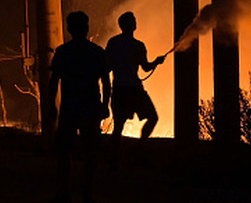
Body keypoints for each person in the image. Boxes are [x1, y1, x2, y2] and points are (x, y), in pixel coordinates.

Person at [47, 11, 111, 203]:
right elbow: (106, 83)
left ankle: (64, 192)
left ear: (69, 29)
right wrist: (105, 105)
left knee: (64, 151)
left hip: (70, 107)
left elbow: (54, 81)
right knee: (90, 152)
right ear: (87, 28)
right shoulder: (97, 52)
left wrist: (52, 105)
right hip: (90, 107)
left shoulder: (63, 52)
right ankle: (87, 193)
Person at [105, 11, 165, 159]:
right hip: (134, 89)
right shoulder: (138, 45)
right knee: (153, 117)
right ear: (132, 25)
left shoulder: (113, 43)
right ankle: (138, 147)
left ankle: (113, 159)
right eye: (133, 21)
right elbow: (145, 67)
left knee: (118, 126)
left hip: (119, 88)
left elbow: (107, 65)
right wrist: (157, 62)